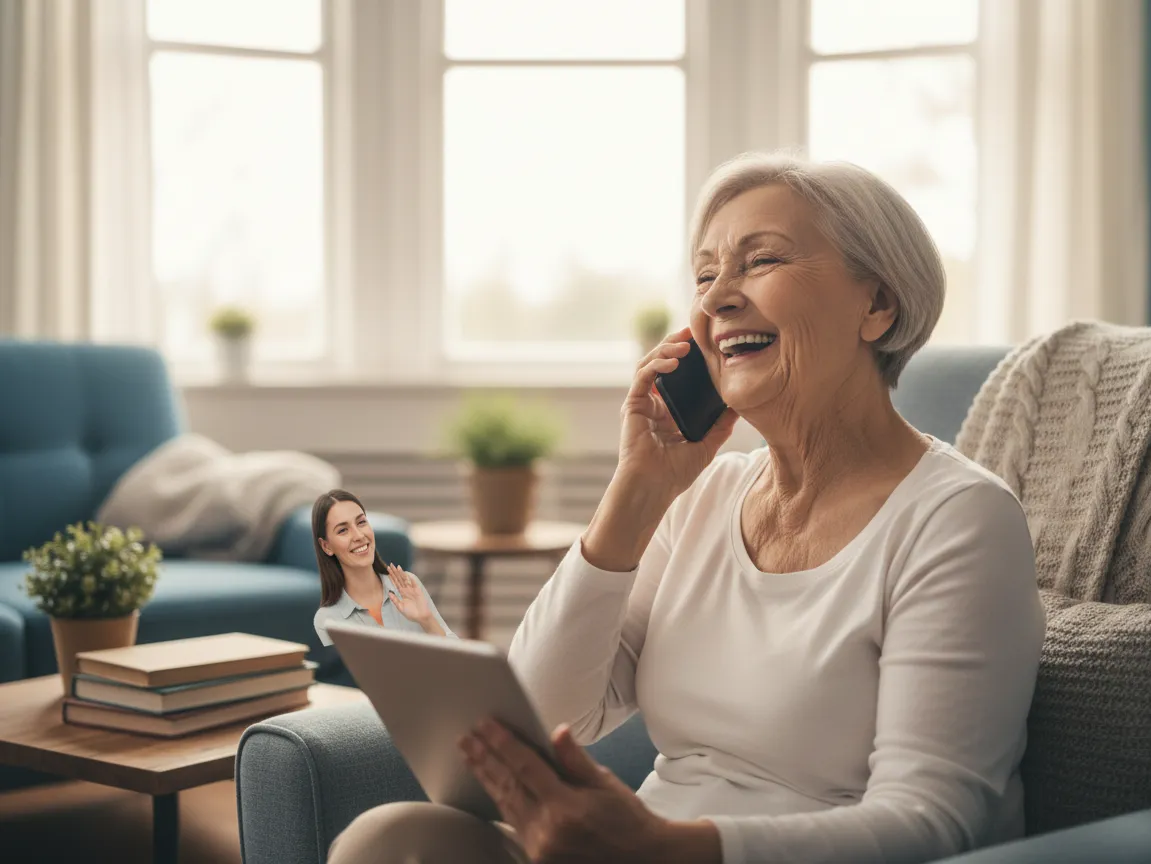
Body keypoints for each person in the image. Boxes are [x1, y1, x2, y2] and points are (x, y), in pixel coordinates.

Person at [327, 152, 1046, 863]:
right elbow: (546, 717)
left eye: (760, 262)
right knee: (389, 839)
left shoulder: (958, 519)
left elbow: (936, 820)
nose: (716, 300)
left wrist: (672, 848)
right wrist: (637, 491)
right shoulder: (704, 495)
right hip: (646, 849)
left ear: (877, 304)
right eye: (706, 276)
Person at [312, 489, 455, 646]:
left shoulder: (408, 585)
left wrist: (426, 619)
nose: (359, 536)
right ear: (326, 546)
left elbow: (458, 661)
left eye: (361, 522)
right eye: (343, 530)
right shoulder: (327, 620)